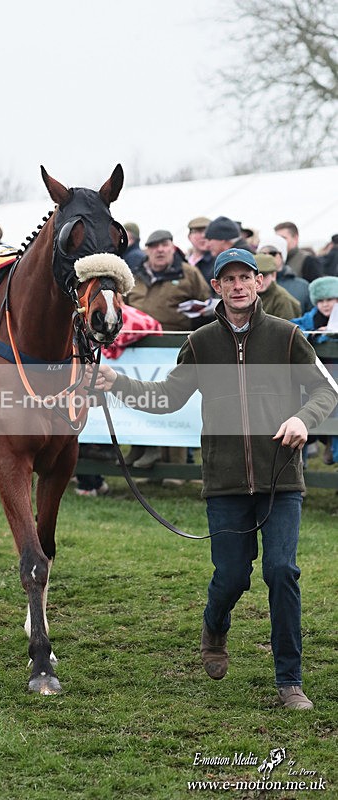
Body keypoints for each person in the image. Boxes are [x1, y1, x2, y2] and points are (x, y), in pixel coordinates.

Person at [89, 248, 337, 710]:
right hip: (224, 484)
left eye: (248, 277)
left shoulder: (287, 336)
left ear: (259, 283)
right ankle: (215, 626)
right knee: (231, 578)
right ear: (218, 287)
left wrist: (305, 419)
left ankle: (290, 681)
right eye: (230, 279)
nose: (240, 285)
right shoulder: (201, 342)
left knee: (281, 572)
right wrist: (116, 383)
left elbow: (326, 389)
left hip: (281, 479)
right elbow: (167, 397)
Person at [125, 228, 210, 473]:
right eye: (154, 246)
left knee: (176, 402)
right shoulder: (136, 275)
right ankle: (142, 448)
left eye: (165, 245)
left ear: (173, 247)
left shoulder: (189, 274)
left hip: (175, 348)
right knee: (138, 399)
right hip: (138, 350)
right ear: (147, 250)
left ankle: (177, 468)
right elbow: (125, 306)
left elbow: (207, 304)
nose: (160, 250)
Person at [291, 275, 338, 467]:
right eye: (321, 300)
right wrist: (315, 334)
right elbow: (292, 327)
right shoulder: (310, 319)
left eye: (330, 299)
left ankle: (332, 451)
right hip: (317, 381)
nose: (325, 305)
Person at [258, 233, 311, 313]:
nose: (267, 257)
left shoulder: (302, 286)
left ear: (283, 255)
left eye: (273, 253)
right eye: (263, 253)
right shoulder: (251, 286)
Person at [255, 254, 301, 319]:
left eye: (264, 276)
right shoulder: (250, 295)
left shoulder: (282, 299)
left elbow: (285, 327)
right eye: (256, 276)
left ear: (273, 275)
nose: (260, 280)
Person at [186, 216, 214, 287]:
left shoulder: (217, 261)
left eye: (206, 231)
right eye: (198, 231)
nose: (203, 235)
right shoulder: (183, 261)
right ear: (189, 236)